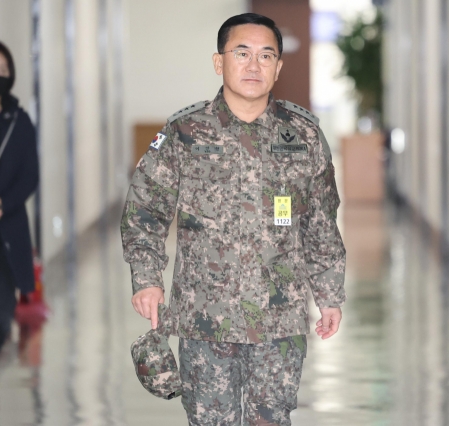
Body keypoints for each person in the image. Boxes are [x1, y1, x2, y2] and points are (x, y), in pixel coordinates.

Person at [121, 13, 346, 425]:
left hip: (279, 320)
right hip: (205, 318)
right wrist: (147, 277)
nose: (253, 65)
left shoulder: (304, 136)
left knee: (271, 419)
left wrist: (329, 294)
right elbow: (144, 211)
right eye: (241, 53)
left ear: (279, 67)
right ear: (218, 62)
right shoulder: (184, 133)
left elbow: (320, 221)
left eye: (266, 56)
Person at [0, 41, 39, 360]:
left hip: (6, 231)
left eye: (3, 70)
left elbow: (30, 176)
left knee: (0, 317)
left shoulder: (19, 122)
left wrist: (1, 205)